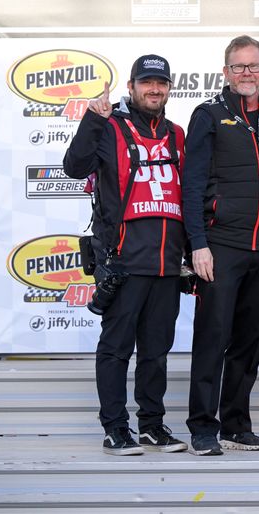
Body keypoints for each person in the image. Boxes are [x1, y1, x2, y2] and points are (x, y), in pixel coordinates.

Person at [63, 54, 188, 456]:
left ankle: (151, 426)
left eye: (161, 83)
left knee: (156, 351)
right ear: (132, 86)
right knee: (116, 348)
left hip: (167, 263)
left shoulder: (178, 134)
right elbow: (74, 167)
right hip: (123, 260)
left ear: (169, 88)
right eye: (147, 82)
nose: (155, 89)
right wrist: (93, 119)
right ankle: (115, 428)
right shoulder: (109, 126)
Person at [182, 36, 259, 456]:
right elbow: (191, 185)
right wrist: (198, 245)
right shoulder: (208, 114)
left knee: (250, 339)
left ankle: (236, 424)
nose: (247, 73)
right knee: (212, 337)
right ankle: (203, 426)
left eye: (253, 66)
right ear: (226, 72)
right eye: (238, 67)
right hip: (221, 245)